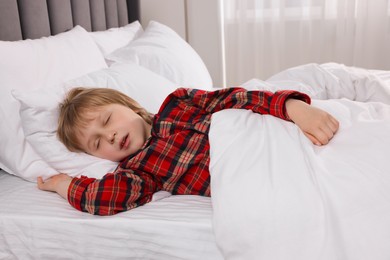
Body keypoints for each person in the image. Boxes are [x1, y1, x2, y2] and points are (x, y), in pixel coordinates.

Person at [37, 87, 339, 216]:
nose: (111, 136)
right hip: (263, 175)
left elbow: (235, 98)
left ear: (128, 105)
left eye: (107, 121)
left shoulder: (178, 104)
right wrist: (63, 185)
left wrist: (292, 106)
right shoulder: (138, 171)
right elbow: (105, 197)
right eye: (97, 143)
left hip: (276, 136)